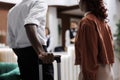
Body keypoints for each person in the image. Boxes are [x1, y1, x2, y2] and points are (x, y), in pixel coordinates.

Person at [6, 0, 54, 80]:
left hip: (21, 57)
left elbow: (11, 42)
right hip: (37, 52)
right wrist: (41, 52)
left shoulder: (12, 10)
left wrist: (23, 56)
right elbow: (30, 24)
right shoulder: (39, 2)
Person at [75, 0, 114, 80]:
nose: (78, 3)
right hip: (108, 72)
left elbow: (89, 55)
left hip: (95, 74)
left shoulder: (87, 22)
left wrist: (88, 76)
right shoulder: (103, 23)